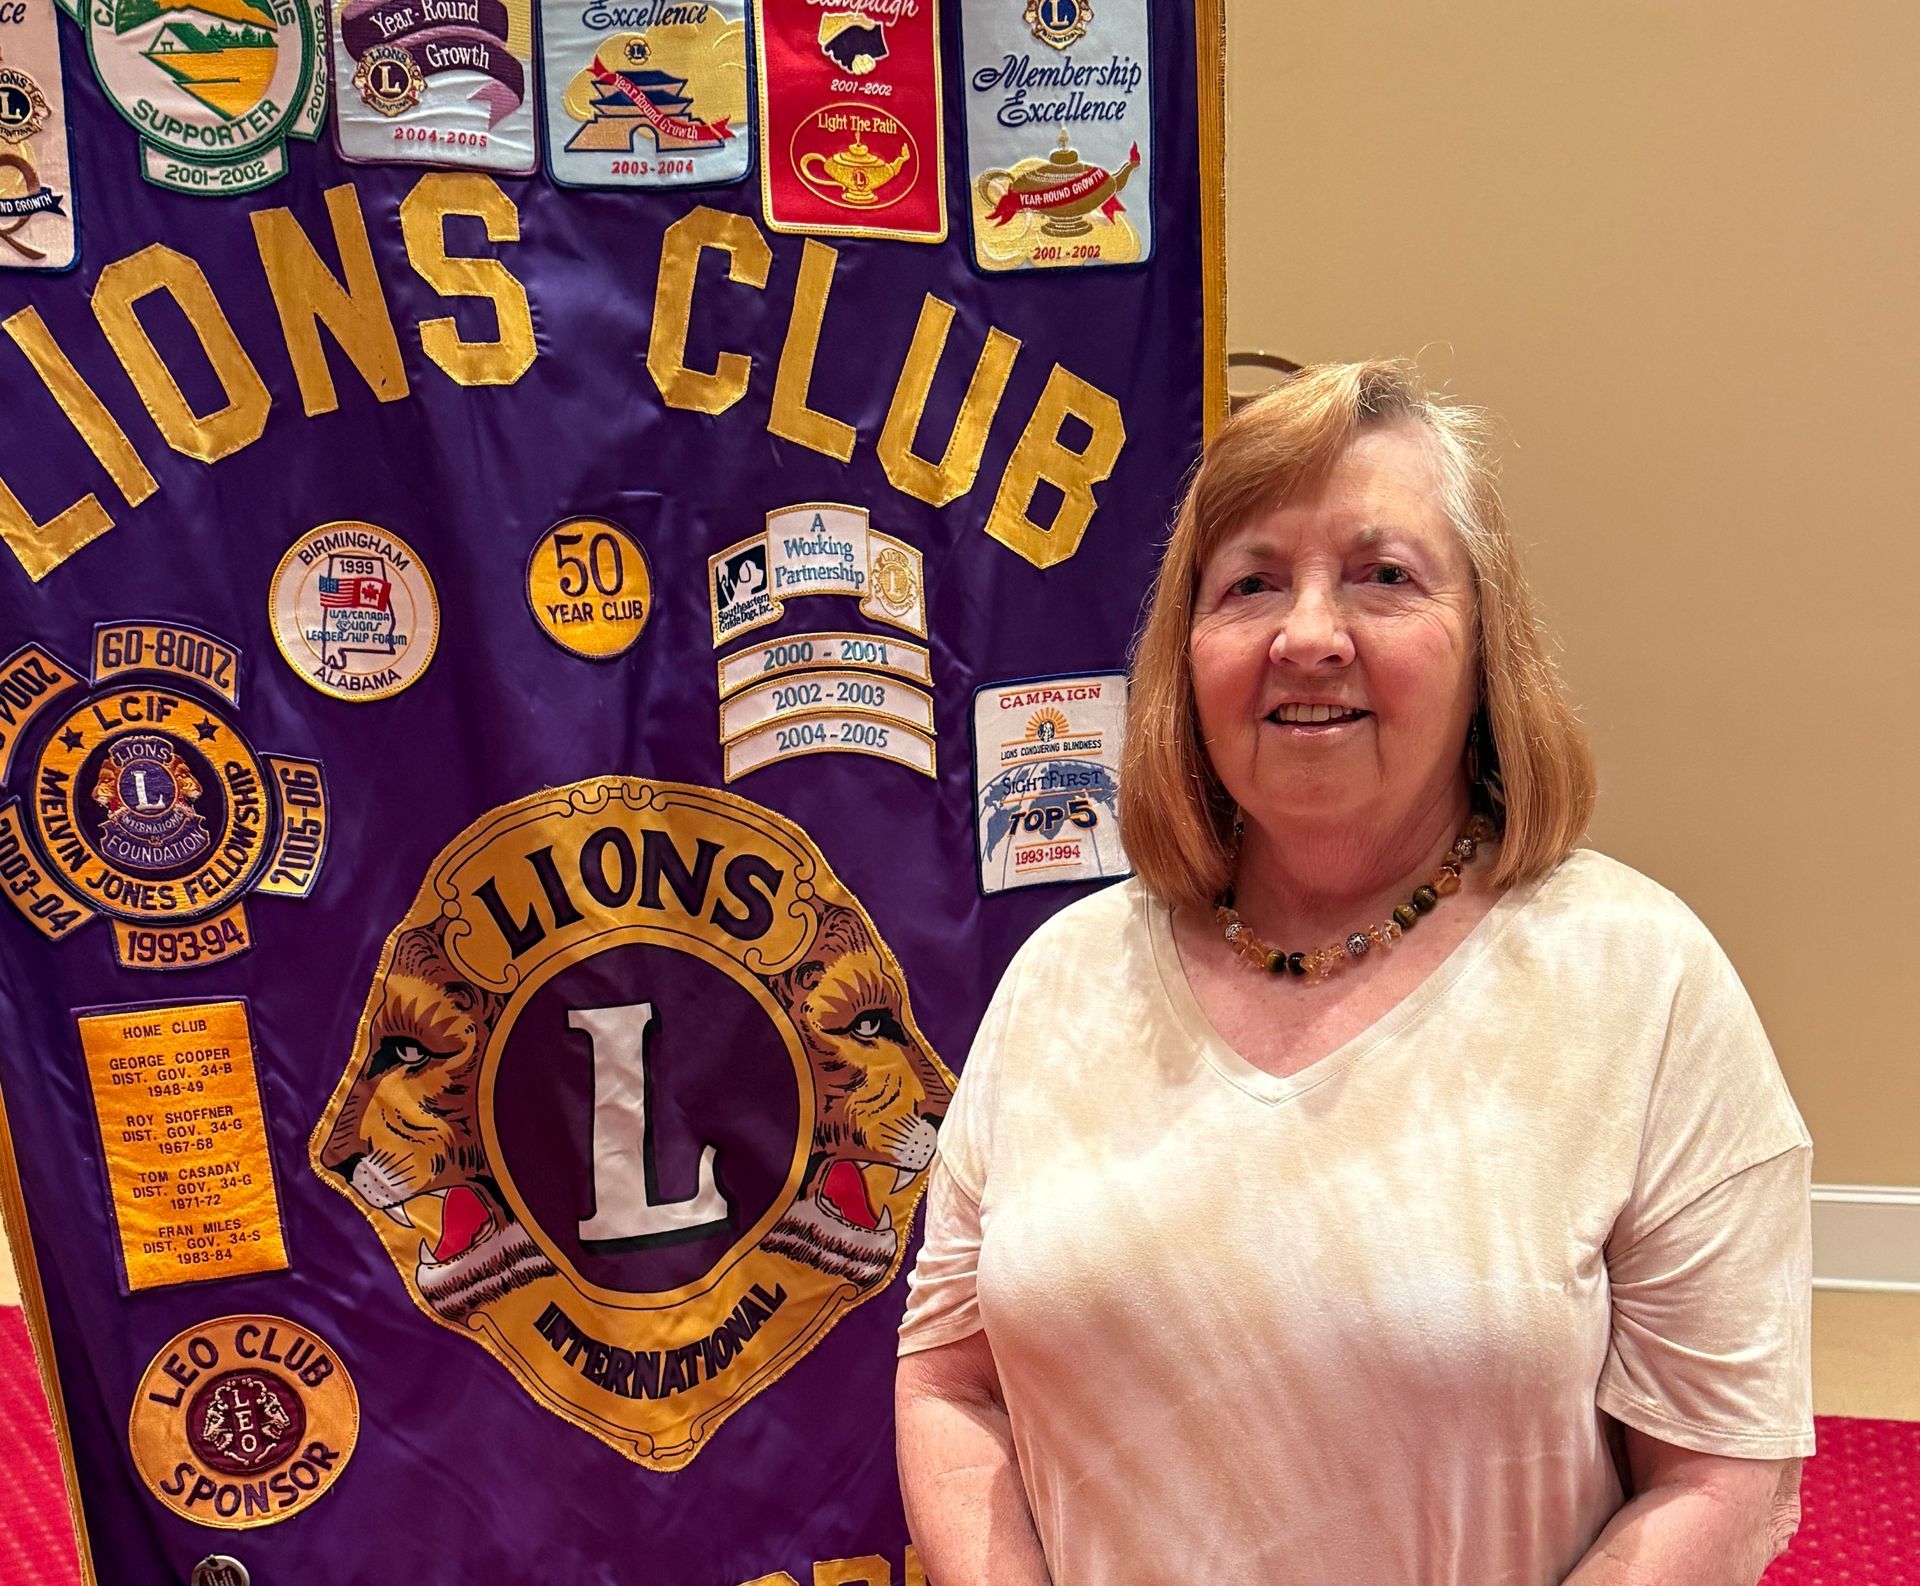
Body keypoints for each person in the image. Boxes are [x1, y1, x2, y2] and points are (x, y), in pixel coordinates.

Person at [894, 361, 1813, 1585]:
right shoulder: (1064, 976)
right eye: (1251, 584)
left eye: (1383, 576)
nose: (1309, 633)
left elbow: (1720, 1473)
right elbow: (949, 1379)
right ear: (1188, 651)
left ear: (1485, 643)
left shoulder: (1640, 980)